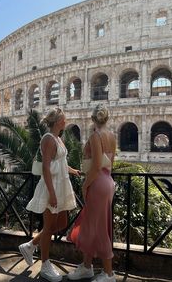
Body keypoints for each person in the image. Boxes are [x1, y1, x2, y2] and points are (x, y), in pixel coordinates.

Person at [19, 108, 79, 282]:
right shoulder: (48, 139)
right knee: (50, 226)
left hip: (61, 185)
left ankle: (30, 245)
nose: (66, 120)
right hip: (52, 187)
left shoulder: (58, 139)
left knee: (61, 223)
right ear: (58, 121)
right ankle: (45, 265)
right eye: (64, 118)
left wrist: (72, 170)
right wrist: (52, 194)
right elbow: (46, 167)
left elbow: (59, 163)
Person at [67, 104, 116, 282]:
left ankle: (109, 274)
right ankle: (87, 267)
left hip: (97, 183)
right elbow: (110, 163)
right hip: (108, 181)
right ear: (107, 118)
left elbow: (95, 167)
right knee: (92, 225)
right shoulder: (112, 136)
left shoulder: (96, 136)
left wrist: (85, 185)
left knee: (99, 228)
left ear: (93, 119)